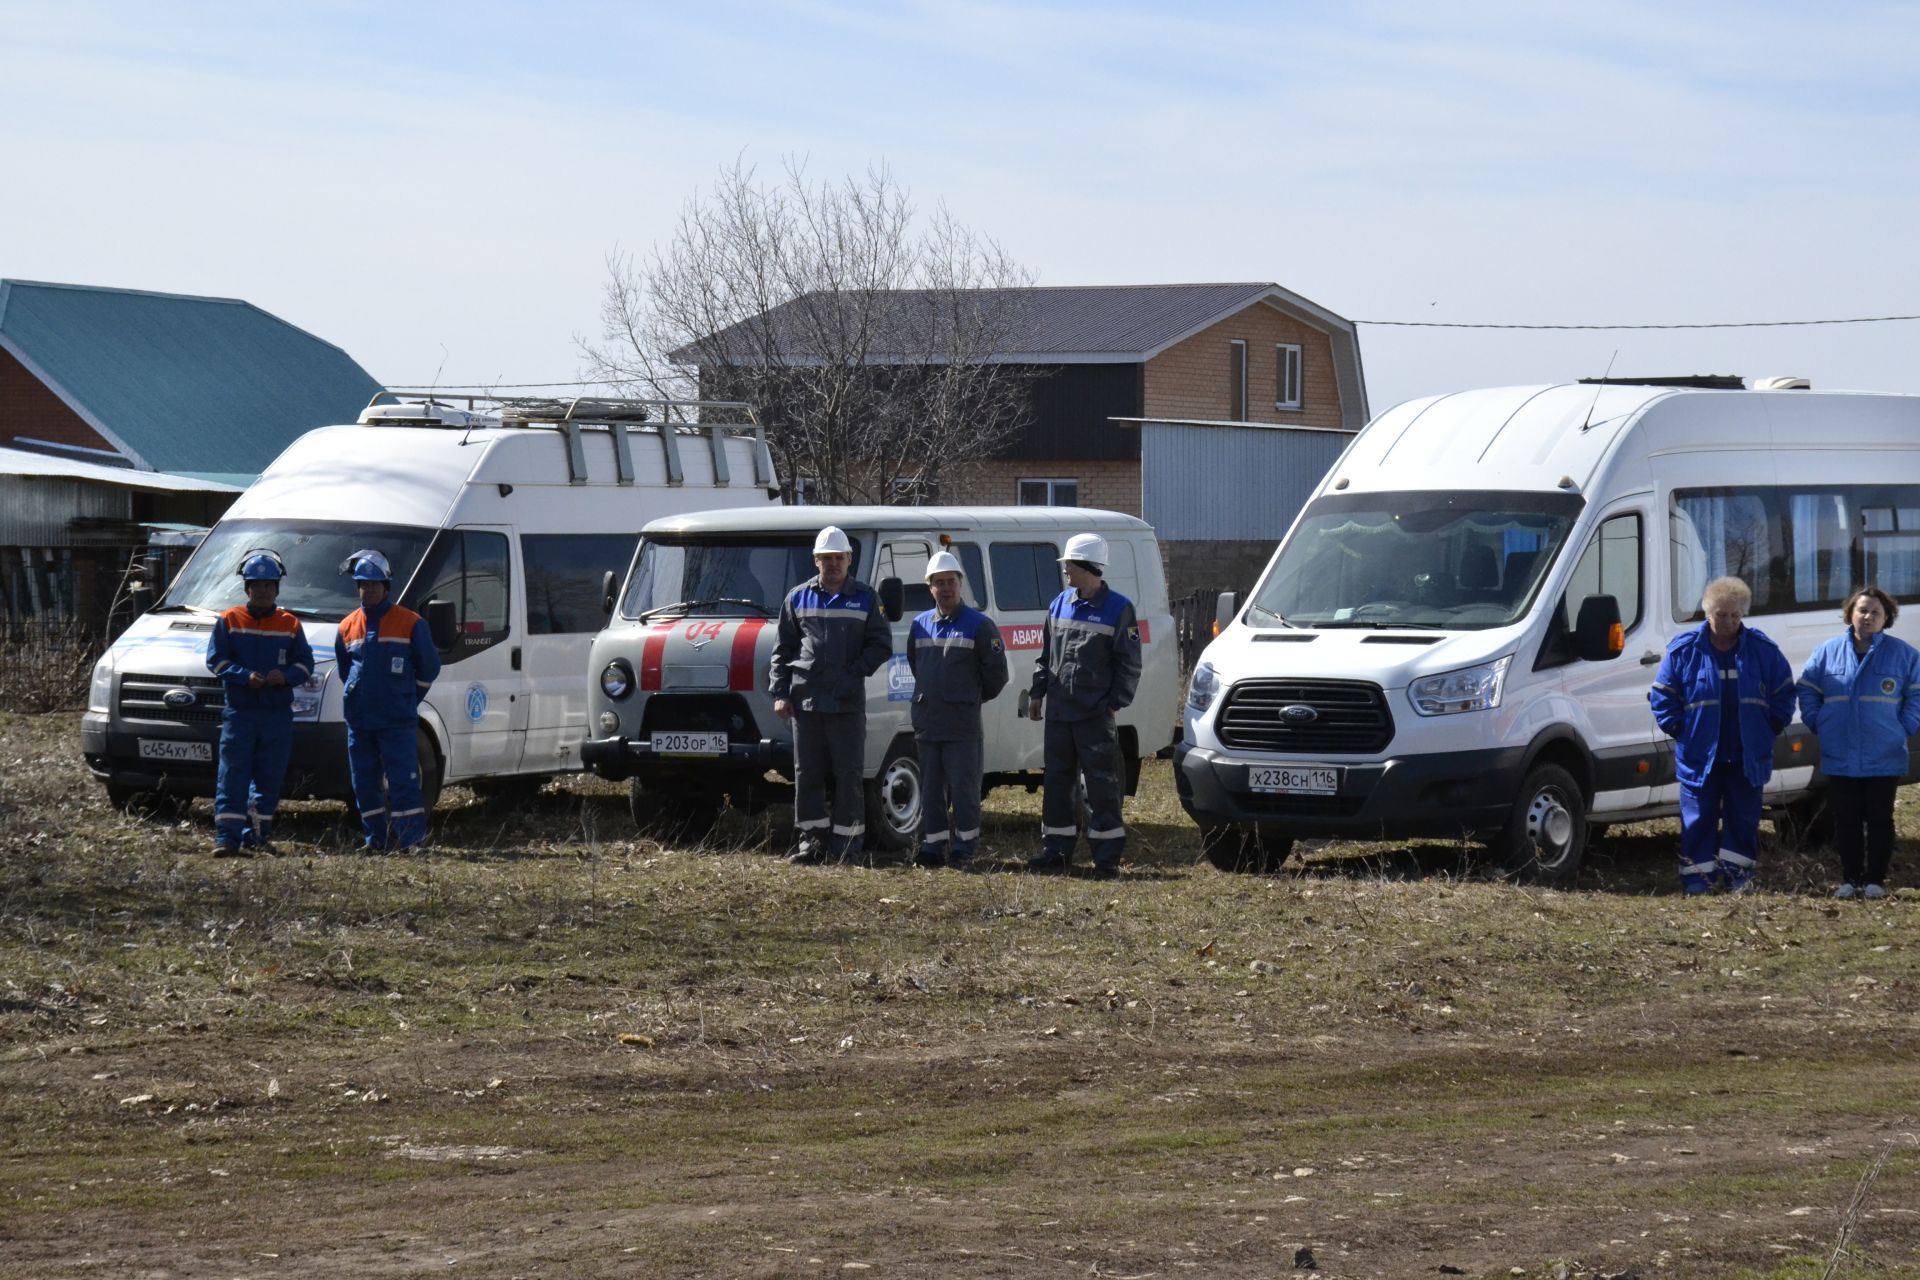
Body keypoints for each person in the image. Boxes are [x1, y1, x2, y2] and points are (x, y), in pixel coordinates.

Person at [1649, 575, 1795, 894]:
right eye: (1720, 614)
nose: (1727, 621)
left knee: (1743, 817)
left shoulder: (1763, 650)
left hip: (1748, 755)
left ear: (1742, 615)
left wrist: (1770, 726)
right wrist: (1679, 729)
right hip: (1700, 755)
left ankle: (1738, 877)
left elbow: (1784, 693)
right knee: (1698, 818)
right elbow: (1662, 696)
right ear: (1707, 612)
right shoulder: (1684, 652)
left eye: (1734, 615)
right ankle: (1697, 880)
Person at [770, 526, 892, 865]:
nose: (833, 564)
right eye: (827, 558)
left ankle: (847, 845)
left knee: (848, 774)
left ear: (849, 560)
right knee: (807, 773)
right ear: (816, 561)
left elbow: (881, 644)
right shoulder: (797, 598)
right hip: (806, 703)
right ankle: (812, 842)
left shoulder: (866, 597)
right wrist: (780, 693)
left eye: (839, 558)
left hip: (846, 703)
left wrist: (853, 672)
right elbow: (782, 650)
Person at [1027, 532, 1143, 879]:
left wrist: (1114, 704)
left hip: (1094, 715)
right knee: (1057, 783)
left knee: (1102, 786)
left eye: (1070, 566)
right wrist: (1037, 693)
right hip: (1061, 714)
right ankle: (1056, 852)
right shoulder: (1058, 604)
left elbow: (1130, 663)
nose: (1065, 572)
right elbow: (1046, 656)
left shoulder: (1119, 609)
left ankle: (1106, 859)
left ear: (1089, 568)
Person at [1796, 586, 1920, 900]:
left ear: (1886, 618)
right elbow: (1808, 688)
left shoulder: (1904, 654)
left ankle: (1875, 879)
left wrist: (1903, 726)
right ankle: (1850, 879)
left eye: (1875, 612)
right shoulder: (1827, 651)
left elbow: (1917, 696)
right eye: (1862, 610)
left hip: (1884, 752)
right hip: (1840, 751)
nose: (1868, 616)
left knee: (1880, 818)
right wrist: (1817, 719)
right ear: (1851, 613)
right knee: (1845, 819)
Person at [205, 550, 314, 856]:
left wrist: (287, 675)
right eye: (257, 585)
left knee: (269, 774)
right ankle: (227, 838)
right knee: (233, 774)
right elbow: (215, 661)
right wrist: (243, 676)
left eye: (269, 585)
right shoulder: (229, 619)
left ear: (277, 588)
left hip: (276, 713)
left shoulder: (290, 623)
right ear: (247, 588)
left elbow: (305, 663)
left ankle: (258, 834)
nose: (263, 590)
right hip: (240, 712)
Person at [907, 549, 1009, 870]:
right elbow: (916, 665)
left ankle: (965, 846)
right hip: (928, 721)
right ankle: (933, 846)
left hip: (962, 723)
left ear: (960, 584)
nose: (946, 588)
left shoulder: (980, 625)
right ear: (930, 588)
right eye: (939, 583)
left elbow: (996, 675)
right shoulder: (919, 625)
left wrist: (968, 698)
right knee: (931, 788)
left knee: (964, 789)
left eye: (951, 581)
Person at [334, 549, 441, 851]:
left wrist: (408, 697)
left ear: (386, 587)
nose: (369, 590)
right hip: (361, 722)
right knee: (364, 783)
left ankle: (411, 840)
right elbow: (346, 670)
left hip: (396, 722)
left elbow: (429, 668)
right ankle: (375, 840)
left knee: (403, 781)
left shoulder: (410, 623)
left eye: (375, 585)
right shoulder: (347, 626)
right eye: (364, 585)